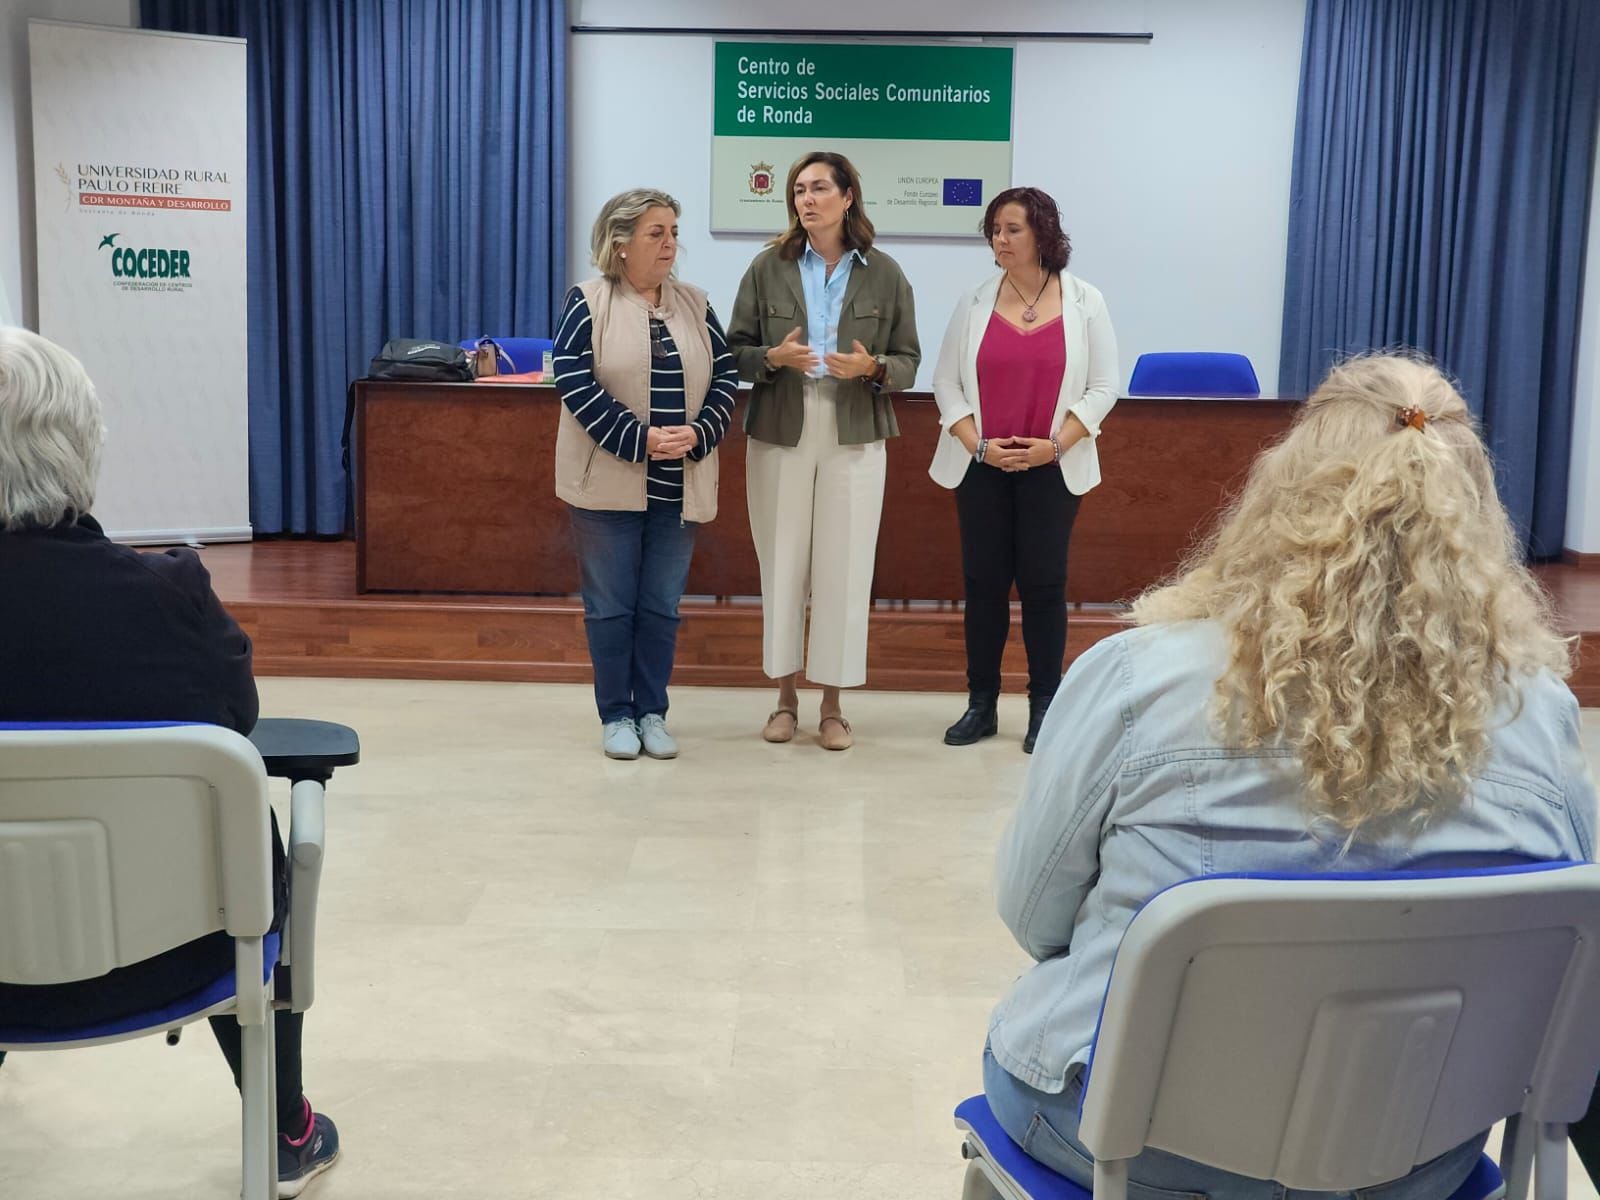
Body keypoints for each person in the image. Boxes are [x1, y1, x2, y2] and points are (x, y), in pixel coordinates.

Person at [983, 354, 1596, 1199]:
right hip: (1414, 1151)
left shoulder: (1137, 679)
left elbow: (1034, 915)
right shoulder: (1539, 711)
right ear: (1477, 516)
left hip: (1137, 1148)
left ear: (1284, 493)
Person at [0, 326, 339, 1198]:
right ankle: (285, 1127)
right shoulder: (169, 598)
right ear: (82, 448)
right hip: (185, 958)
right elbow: (241, 719)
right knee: (244, 828)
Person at [726, 151, 921, 750]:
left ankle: (833, 706)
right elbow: (733, 349)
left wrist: (874, 367)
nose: (807, 199)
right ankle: (784, 699)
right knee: (782, 559)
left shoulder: (885, 272)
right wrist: (771, 359)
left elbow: (909, 363)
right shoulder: (767, 267)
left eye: (818, 188)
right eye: (798, 190)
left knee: (845, 565)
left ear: (847, 196)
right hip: (782, 422)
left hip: (854, 428)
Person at [552, 189, 739, 760]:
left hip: (678, 485)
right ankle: (616, 715)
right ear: (620, 242)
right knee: (610, 607)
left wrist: (701, 431)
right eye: (656, 233)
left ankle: (653, 711)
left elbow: (727, 377)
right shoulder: (588, 301)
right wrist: (641, 439)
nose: (670, 244)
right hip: (607, 484)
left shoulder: (696, 303)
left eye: (674, 232)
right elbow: (574, 381)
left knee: (661, 605)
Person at [930, 187, 1118, 754]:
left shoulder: (1086, 301)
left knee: (1043, 585)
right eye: (994, 230)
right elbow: (946, 383)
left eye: (1012, 229)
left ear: (1042, 232)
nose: (1000, 239)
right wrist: (978, 445)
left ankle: (1044, 708)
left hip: (1051, 466)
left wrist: (1055, 447)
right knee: (983, 585)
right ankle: (980, 704)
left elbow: (1105, 387)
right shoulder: (974, 302)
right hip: (982, 464)